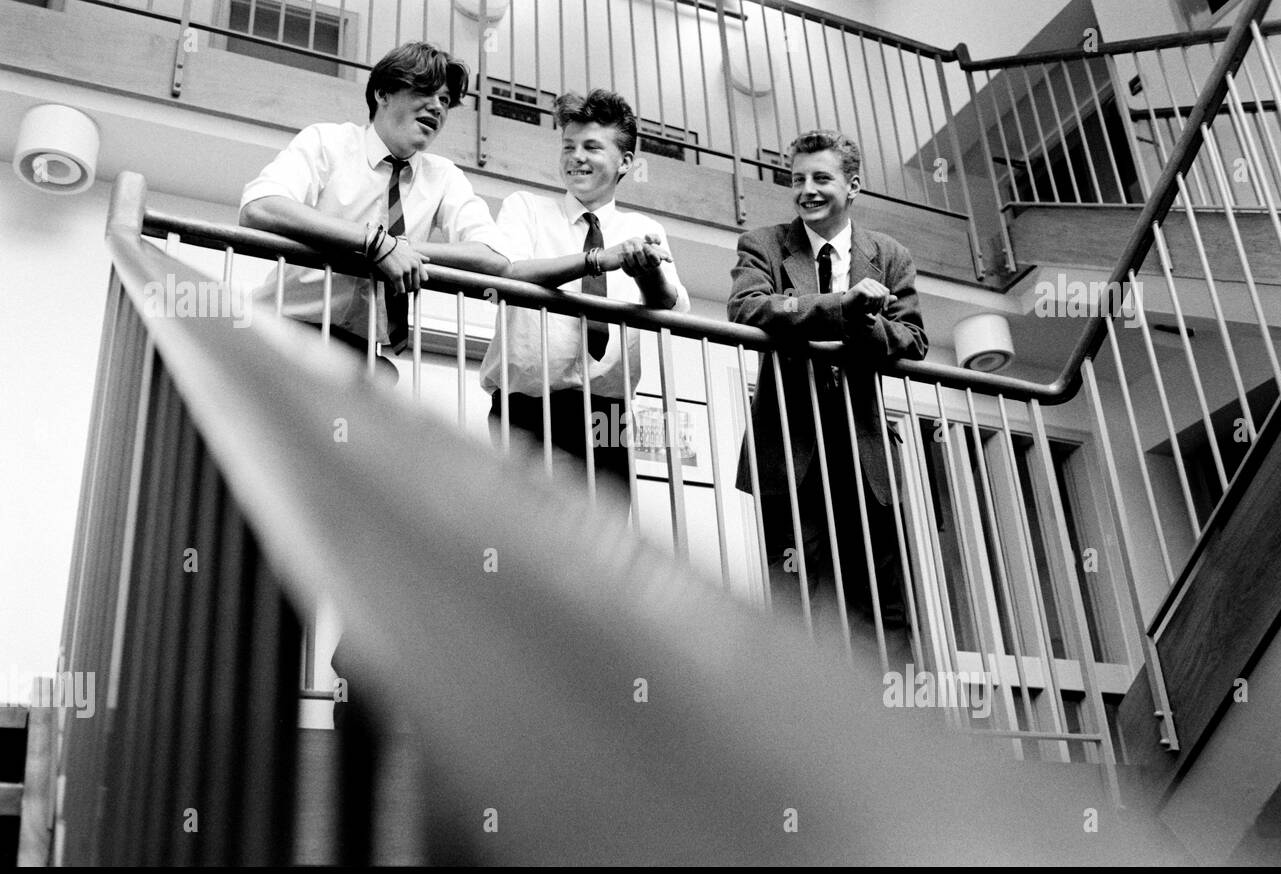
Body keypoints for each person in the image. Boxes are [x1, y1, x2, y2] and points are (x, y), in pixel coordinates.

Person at [729, 129, 928, 645]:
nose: (807, 190)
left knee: (883, 607)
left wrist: (864, 324)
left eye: (821, 177)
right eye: (797, 179)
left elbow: (913, 340)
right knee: (794, 604)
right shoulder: (764, 244)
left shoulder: (890, 255)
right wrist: (841, 306)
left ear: (853, 185)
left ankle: (891, 719)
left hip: (864, 454)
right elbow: (749, 308)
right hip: (789, 452)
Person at [240, 41, 514, 381]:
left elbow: (495, 257)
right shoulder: (328, 142)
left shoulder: (443, 177)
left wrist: (401, 251)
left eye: (445, 100)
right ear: (383, 92)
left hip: (360, 354)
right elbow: (259, 208)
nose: (437, 107)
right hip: (279, 330)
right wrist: (374, 243)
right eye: (426, 91)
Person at [478, 89, 690, 498]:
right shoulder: (526, 208)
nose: (576, 157)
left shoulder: (643, 229)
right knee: (533, 536)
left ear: (625, 161)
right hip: (527, 407)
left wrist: (645, 270)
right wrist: (596, 260)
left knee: (605, 541)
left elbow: (670, 306)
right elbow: (511, 273)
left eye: (592, 147)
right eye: (568, 146)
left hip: (608, 415)